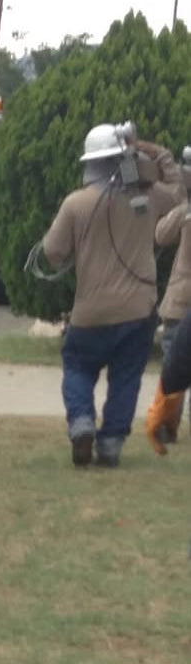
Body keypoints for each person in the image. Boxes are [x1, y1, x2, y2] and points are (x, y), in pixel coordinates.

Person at [40, 124, 184, 468]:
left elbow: (52, 253)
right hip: (138, 311)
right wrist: (154, 150)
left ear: (91, 163)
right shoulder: (148, 199)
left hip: (90, 312)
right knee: (126, 377)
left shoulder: (76, 203)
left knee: (77, 366)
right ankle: (111, 445)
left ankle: (81, 423)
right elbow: (180, 192)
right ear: (126, 158)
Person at [144, 151, 191, 454]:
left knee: (176, 364)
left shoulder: (187, 212)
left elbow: (160, 235)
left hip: (182, 300)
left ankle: (166, 425)